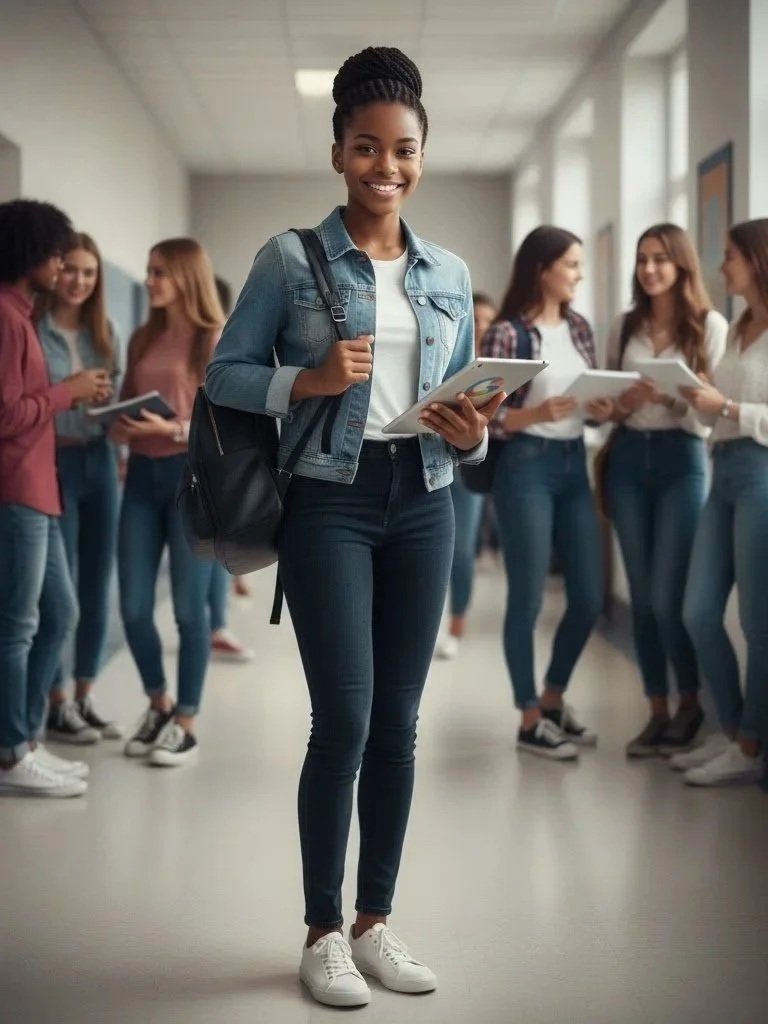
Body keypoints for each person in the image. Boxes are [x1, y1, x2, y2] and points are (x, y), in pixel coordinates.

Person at [205, 46, 504, 1009]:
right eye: (368, 147)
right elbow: (224, 375)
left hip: (424, 497)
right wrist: (311, 380)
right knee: (345, 721)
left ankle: (376, 921)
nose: (388, 166)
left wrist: (474, 429)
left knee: (402, 725)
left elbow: (454, 399)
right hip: (328, 502)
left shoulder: (447, 270)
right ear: (339, 152)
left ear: (423, 155)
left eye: (405, 150)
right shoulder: (288, 259)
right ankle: (321, 930)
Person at [586, 224, 728, 758]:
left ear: (682, 265)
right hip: (627, 460)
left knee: (670, 599)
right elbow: (608, 407)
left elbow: (711, 418)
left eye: (660, 260)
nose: (648, 269)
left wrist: (672, 398)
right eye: (643, 259)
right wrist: (616, 404)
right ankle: (658, 712)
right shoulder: (624, 326)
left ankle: (691, 706)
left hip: (683, 461)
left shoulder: (710, 326)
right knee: (642, 599)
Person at [0, 200, 112, 797]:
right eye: (53, 253)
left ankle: (23, 739)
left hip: (38, 491)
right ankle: (11, 751)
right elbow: (8, 412)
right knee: (17, 626)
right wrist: (65, 393)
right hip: (16, 489)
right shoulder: (6, 317)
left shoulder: (21, 314)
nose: (60, 263)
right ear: (29, 253)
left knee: (58, 614)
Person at [480, 226, 603, 760]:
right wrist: (533, 414)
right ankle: (529, 717)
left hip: (576, 465)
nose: (578, 273)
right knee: (527, 600)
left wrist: (601, 407)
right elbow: (480, 409)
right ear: (542, 269)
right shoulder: (508, 333)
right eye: (572, 264)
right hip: (526, 468)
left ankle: (553, 698)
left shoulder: (579, 328)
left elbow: (590, 391)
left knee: (589, 598)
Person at [113, 238, 223, 767]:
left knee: (187, 611)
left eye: (160, 272)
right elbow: (125, 404)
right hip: (139, 479)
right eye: (148, 270)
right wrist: (116, 423)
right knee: (133, 606)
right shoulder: (141, 338)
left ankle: (186, 721)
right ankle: (159, 702)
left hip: (190, 481)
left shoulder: (214, 338)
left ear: (186, 276)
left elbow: (226, 423)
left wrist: (173, 428)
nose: (150, 280)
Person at [676, 218, 768, 787]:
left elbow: (740, 410)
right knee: (699, 611)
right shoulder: (739, 328)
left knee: (758, 623)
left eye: (730, 254)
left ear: (758, 260)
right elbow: (717, 408)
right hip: (724, 468)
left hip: (761, 473)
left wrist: (727, 407)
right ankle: (734, 731)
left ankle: (751, 744)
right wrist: (696, 398)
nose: (722, 265)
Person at [37, 232, 125, 743]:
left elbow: (109, 392)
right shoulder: (32, 328)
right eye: (70, 269)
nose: (78, 281)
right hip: (52, 463)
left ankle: (85, 696)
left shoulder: (104, 330)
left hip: (101, 458)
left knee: (97, 587)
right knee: (59, 594)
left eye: (89, 273)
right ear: (54, 269)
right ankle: (55, 701)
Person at [435, 291, 497, 660]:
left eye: (490, 320)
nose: (484, 326)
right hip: (435, 457)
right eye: (479, 319)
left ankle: (457, 622)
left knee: (462, 548)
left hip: (471, 462)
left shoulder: (497, 365)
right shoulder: (445, 352)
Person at [206, 274, 254, 662]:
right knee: (212, 546)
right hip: (215, 459)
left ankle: (217, 624)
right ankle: (216, 623)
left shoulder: (220, 340)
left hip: (218, 458)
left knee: (216, 545)